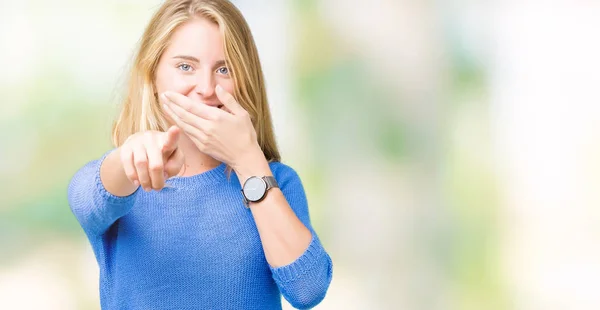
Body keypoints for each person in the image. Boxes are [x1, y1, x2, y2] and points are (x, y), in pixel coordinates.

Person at [67, 0, 333, 309]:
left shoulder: (279, 182)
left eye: (224, 69)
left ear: (245, 80)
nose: (206, 88)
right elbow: (85, 200)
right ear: (152, 77)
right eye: (185, 67)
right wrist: (129, 158)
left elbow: (307, 290)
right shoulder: (123, 182)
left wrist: (249, 161)